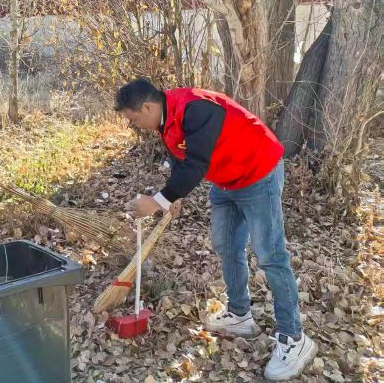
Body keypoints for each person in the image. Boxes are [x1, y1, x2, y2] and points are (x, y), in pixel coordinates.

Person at [116, 79, 317, 382]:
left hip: (258, 172)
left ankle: (294, 338)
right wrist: (174, 195)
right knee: (226, 245)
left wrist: (157, 201)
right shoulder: (165, 119)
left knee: (270, 255)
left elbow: (196, 163)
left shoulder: (196, 108)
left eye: (133, 119)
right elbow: (182, 158)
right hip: (225, 181)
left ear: (147, 107)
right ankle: (239, 314)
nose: (134, 125)